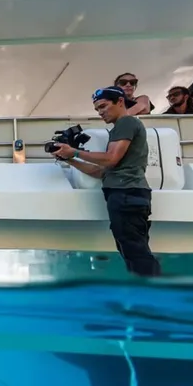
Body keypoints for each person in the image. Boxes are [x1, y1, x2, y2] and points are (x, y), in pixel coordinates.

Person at [50, 86, 162, 277]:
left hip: (126, 194)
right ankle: (149, 293)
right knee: (131, 250)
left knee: (135, 252)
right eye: (97, 109)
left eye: (103, 106)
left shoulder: (126, 123)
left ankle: (154, 294)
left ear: (120, 102)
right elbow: (99, 171)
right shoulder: (120, 128)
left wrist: (75, 151)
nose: (101, 112)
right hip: (125, 194)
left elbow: (111, 159)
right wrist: (69, 159)